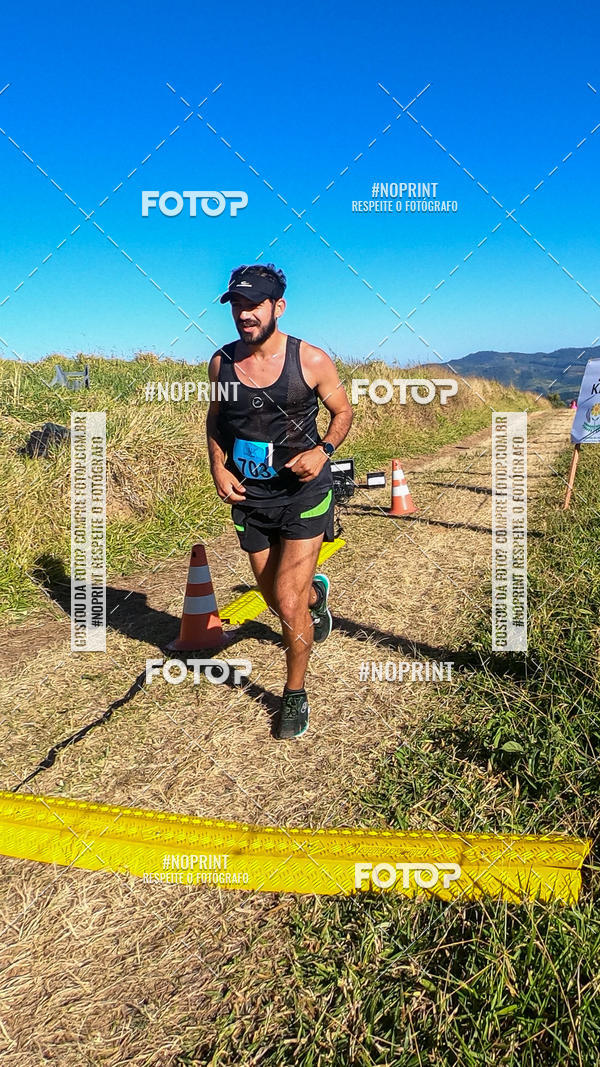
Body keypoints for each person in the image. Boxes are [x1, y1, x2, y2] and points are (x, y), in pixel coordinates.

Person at [206, 263, 353, 739]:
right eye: (237, 305)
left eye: (254, 305)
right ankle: (316, 597)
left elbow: (343, 411)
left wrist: (323, 450)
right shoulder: (221, 363)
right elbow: (216, 421)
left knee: (287, 603)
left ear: (278, 307)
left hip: (303, 494)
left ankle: (294, 694)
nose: (244, 314)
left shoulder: (310, 360)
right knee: (275, 598)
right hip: (251, 497)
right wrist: (218, 466)